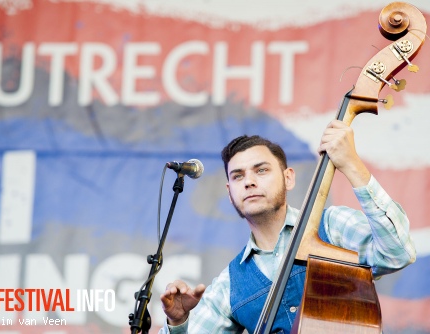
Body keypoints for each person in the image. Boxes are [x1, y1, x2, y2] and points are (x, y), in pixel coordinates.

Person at [158, 120, 416, 333]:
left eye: (261, 170)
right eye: (238, 176)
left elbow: (397, 252)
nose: (248, 182)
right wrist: (178, 322)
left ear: (288, 178)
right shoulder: (229, 284)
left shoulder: (333, 226)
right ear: (229, 193)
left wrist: (351, 165)